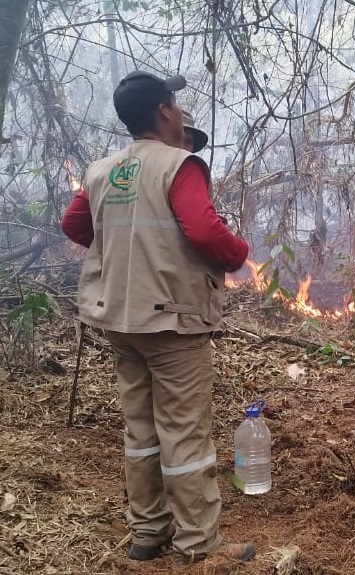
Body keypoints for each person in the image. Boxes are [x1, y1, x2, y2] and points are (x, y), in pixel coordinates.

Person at [59, 70, 255, 565]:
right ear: (166, 111)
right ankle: (199, 544)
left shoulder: (103, 170)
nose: (180, 113)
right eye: (177, 106)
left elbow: (74, 224)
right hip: (172, 322)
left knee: (141, 430)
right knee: (185, 433)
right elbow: (205, 230)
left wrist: (127, 254)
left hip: (120, 321)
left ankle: (148, 533)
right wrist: (236, 255)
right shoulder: (179, 164)